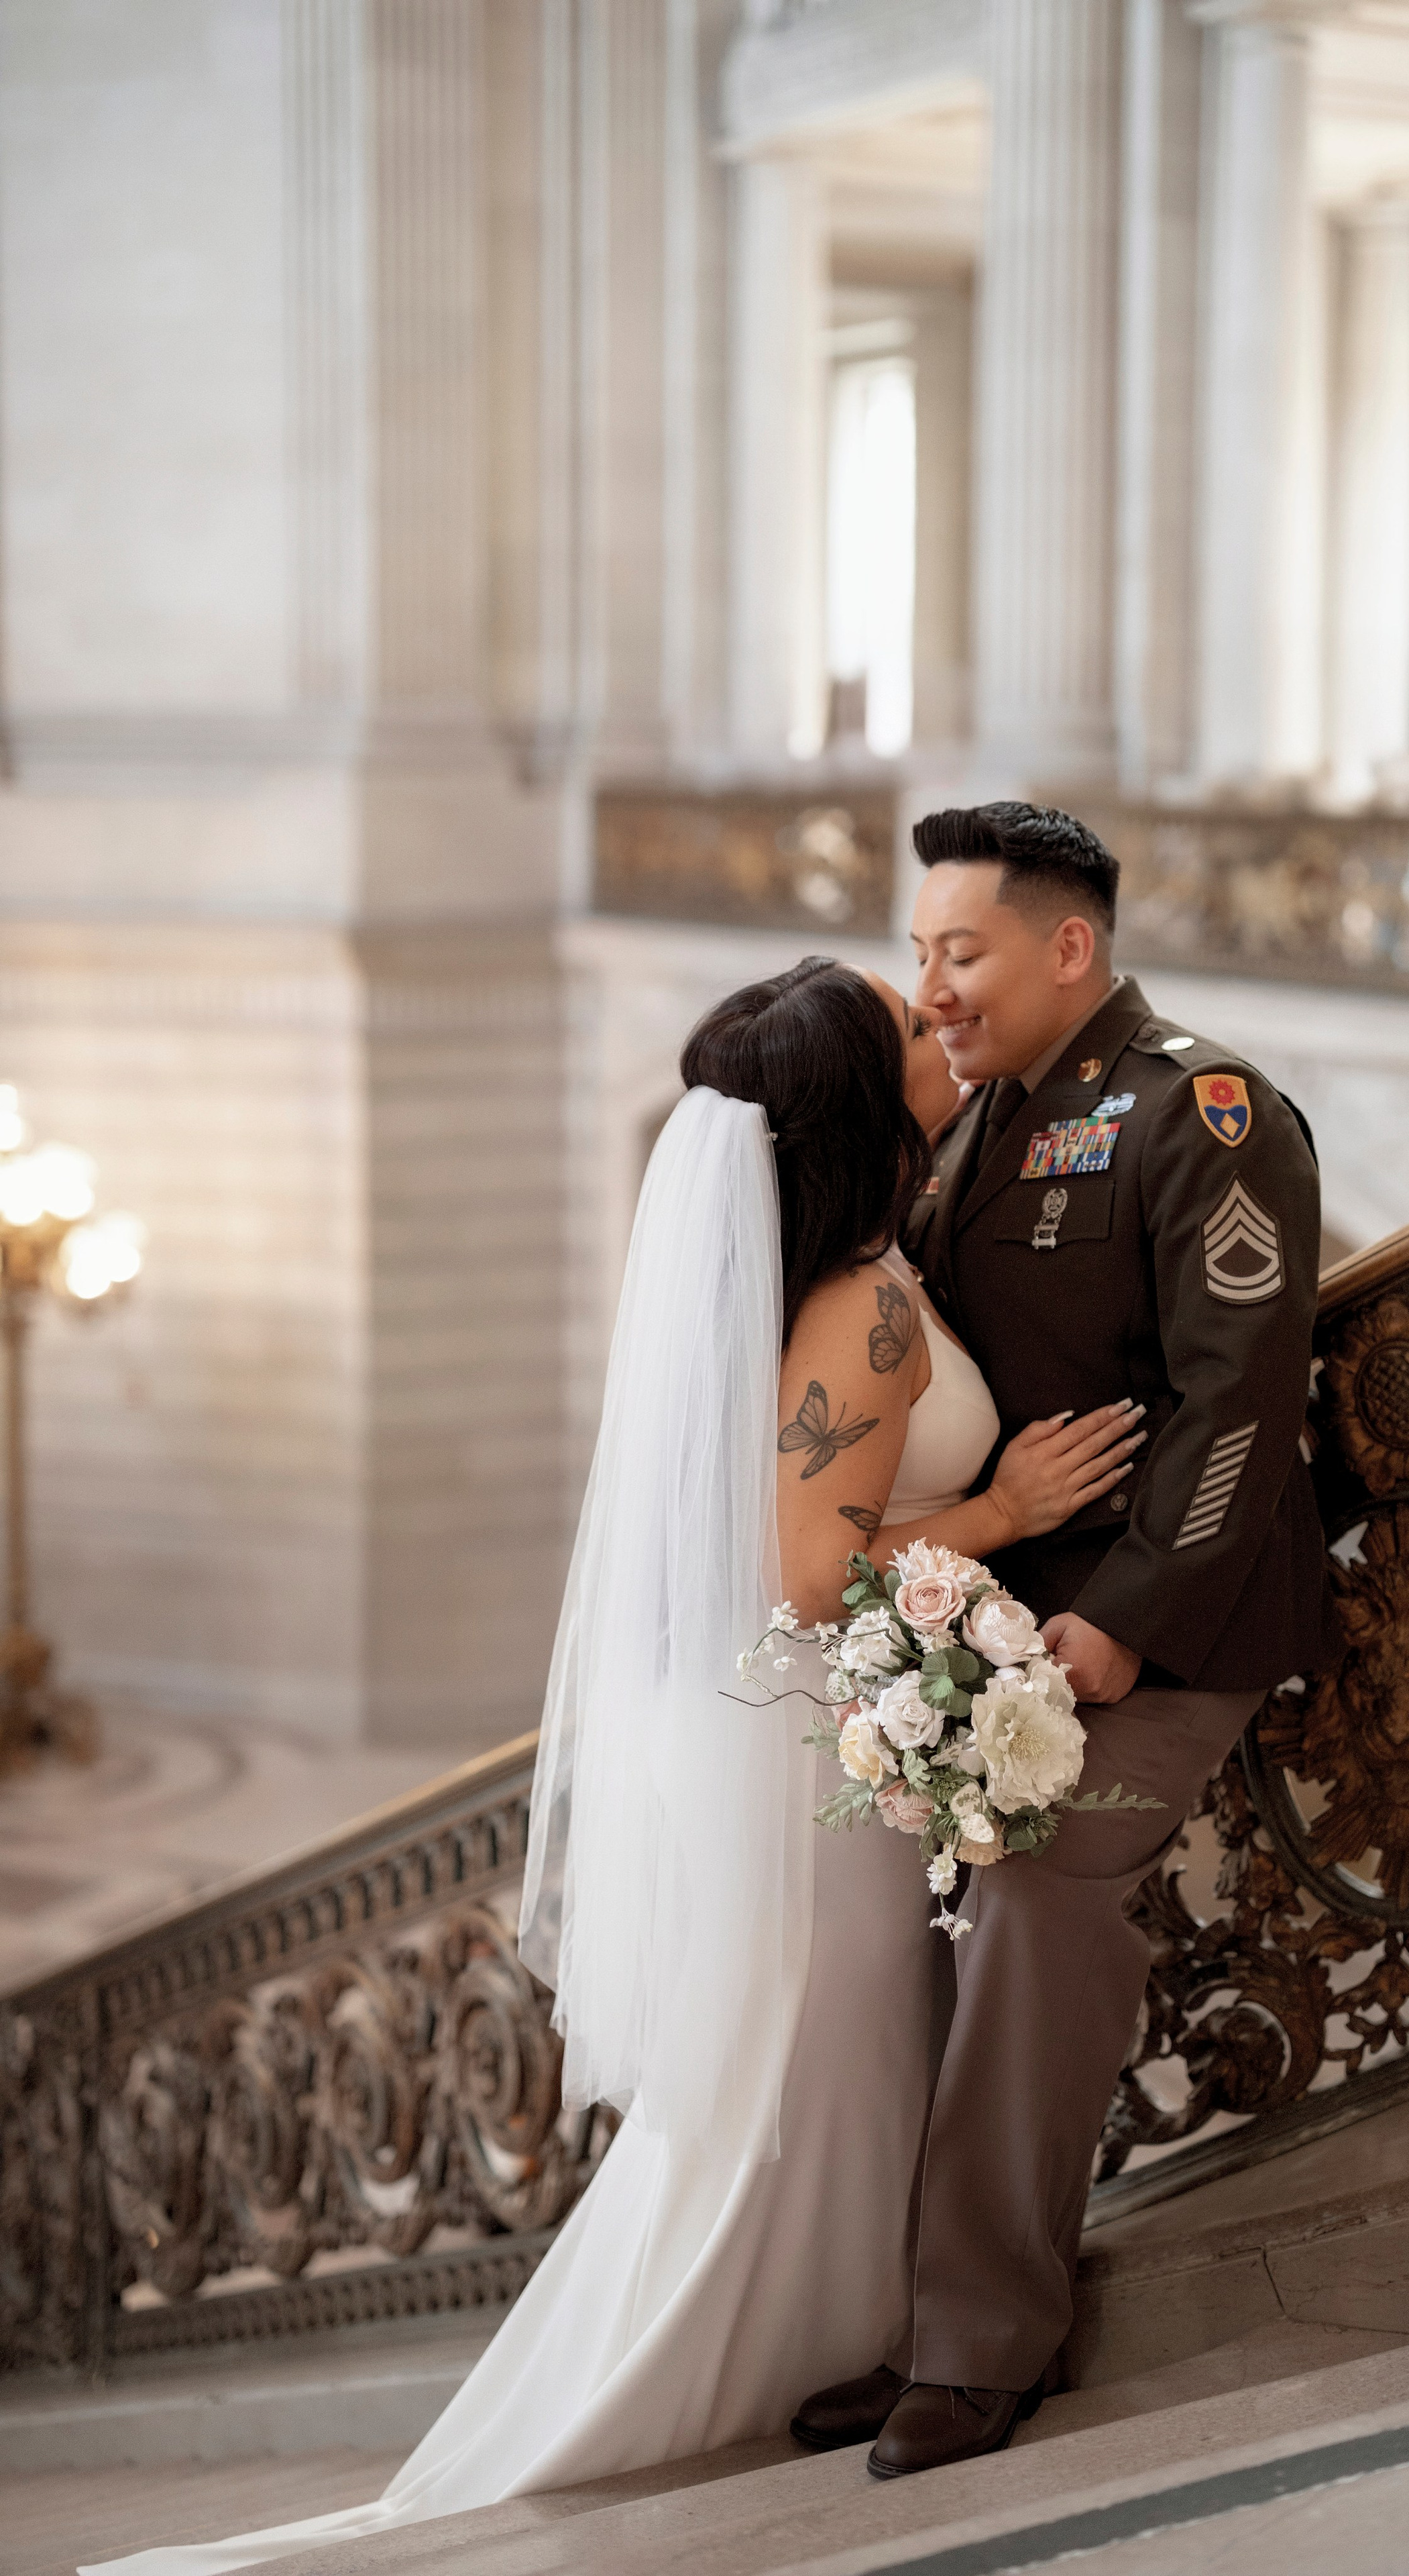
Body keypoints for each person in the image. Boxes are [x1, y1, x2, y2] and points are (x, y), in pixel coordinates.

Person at [84, 959, 1142, 2575]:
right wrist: (1000, 1514)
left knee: (816, 2075)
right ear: (864, 1107)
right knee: (821, 2070)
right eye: (903, 1024)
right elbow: (805, 1566)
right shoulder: (858, 1304)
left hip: (808, 1734)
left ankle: (829, 2337)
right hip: (814, 1744)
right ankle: (745, 2368)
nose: (940, 1029)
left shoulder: (858, 1269)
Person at [791, 802, 1332, 2477]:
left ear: (1066, 946)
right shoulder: (975, 1118)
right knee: (889, 1913)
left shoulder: (1200, 1110)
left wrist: (1122, 1620)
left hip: (1169, 1624)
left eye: (959, 951)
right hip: (1004, 1617)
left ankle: (977, 2342)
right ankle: (906, 2309)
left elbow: (1237, 1401)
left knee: (1029, 1891)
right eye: (921, 954)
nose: (931, 986)